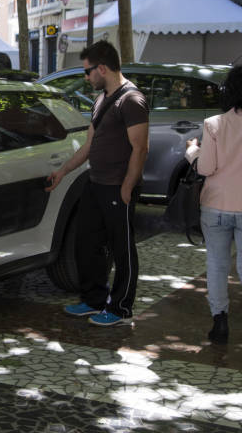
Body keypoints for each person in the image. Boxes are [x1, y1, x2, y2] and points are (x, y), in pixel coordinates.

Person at [46, 40, 149, 327]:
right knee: (86, 243)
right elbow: (89, 144)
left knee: (122, 248)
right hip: (96, 183)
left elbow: (140, 148)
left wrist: (128, 186)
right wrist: (63, 171)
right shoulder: (102, 99)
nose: (86, 77)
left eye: (88, 71)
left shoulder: (131, 100)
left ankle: (120, 307)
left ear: (102, 68)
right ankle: (93, 299)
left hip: (118, 186)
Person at [184, 63, 242, 361]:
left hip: (217, 205)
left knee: (217, 265)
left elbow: (206, 168)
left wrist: (192, 152)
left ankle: (220, 324)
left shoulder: (214, 124)